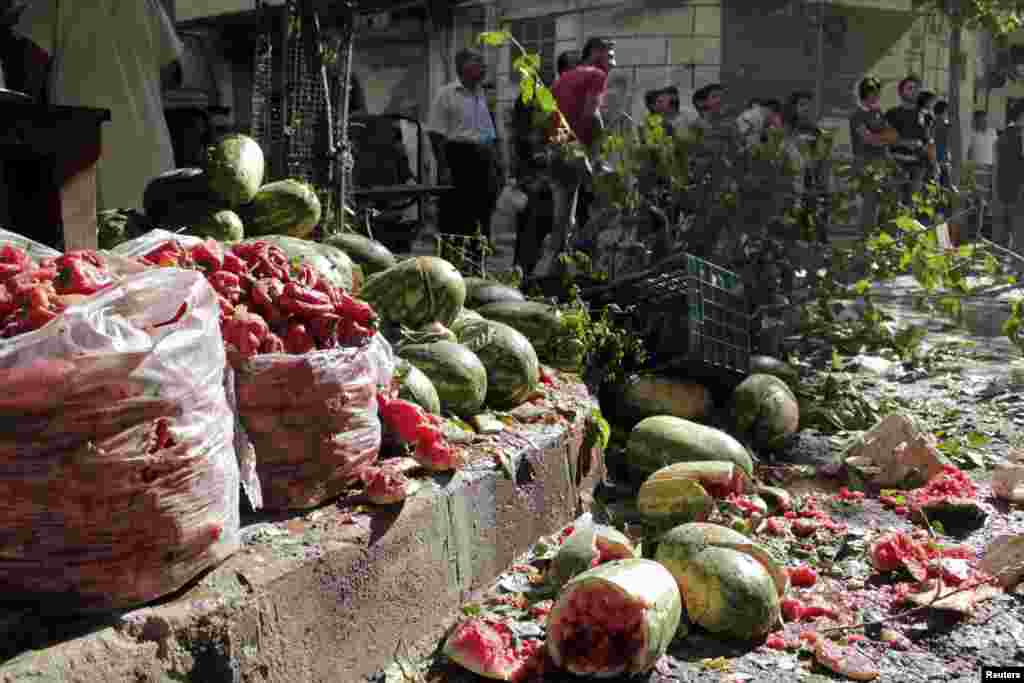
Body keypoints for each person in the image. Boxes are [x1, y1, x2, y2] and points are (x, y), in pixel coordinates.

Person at [13, 0, 184, 212]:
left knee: (91, 239)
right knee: (151, 238)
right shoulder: (148, 3)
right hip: (148, 154)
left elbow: (31, 66)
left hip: (85, 156)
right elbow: (172, 72)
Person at [536, 36, 616, 275]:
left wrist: (563, 146)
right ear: (596, 52)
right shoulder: (596, 75)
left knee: (563, 219)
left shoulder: (562, 79)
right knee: (613, 205)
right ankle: (581, 262)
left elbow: (550, 118)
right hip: (578, 151)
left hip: (559, 148)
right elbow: (592, 114)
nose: (613, 63)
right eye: (610, 56)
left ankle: (548, 274)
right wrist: (596, 148)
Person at [427, 48, 501, 254]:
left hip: (483, 159)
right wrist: (443, 168)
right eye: (477, 61)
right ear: (463, 66)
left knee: (482, 214)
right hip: (457, 158)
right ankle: (453, 261)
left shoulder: (483, 95)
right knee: (455, 216)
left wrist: (496, 163)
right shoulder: (447, 94)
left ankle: (478, 263)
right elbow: (435, 134)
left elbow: (490, 134)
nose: (484, 66)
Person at [512, 50, 578, 274]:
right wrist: (530, 174)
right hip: (542, 179)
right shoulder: (540, 99)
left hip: (567, 180)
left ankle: (553, 281)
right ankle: (523, 278)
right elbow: (524, 138)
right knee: (534, 230)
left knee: (561, 235)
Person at [849, 76, 892, 236]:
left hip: (881, 162)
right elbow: (868, 138)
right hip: (865, 162)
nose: (877, 95)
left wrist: (882, 140)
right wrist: (882, 139)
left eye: (878, 92)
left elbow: (890, 135)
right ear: (865, 93)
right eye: (874, 92)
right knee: (868, 201)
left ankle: (873, 236)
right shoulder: (857, 115)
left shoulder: (879, 113)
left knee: (878, 203)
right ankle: (864, 237)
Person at [885, 75, 930, 207]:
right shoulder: (892, 113)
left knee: (912, 207)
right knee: (895, 205)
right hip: (897, 164)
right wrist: (906, 143)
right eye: (910, 88)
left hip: (918, 166)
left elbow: (928, 141)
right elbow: (886, 140)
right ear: (901, 92)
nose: (914, 91)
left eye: (917, 88)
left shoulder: (925, 115)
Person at [992, 101, 1024, 252]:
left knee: (1002, 232)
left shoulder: (1002, 135)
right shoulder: (1020, 134)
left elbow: (997, 163)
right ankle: (1017, 268)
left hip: (1002, 189)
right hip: (1019, 189)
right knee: (1018, 233)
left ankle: (998, 265)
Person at [933, 99, 950, 187]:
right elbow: (941, 143)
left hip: (936, 157)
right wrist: (943, 160)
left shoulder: (934, 122)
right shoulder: (941, 124)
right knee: (944, 185)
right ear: (944, 110)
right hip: (940, 158)